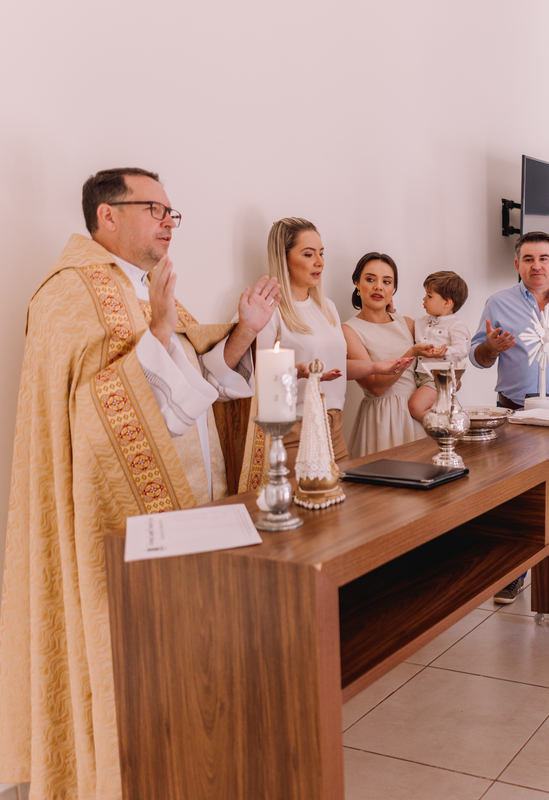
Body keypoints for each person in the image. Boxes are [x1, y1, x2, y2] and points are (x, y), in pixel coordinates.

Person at [0, 167, 279, 798]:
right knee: (132, 666)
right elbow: (96, 415)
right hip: (117, 526)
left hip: (185, 506)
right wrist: (155, 330)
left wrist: (244, 332)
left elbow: (196, 388)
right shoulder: (67, 295)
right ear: (106, 215)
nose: (168, 222)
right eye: (155, 208)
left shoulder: (146, 290)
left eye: (172, 212)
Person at [470, 231, 549, 603]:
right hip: (513, 411)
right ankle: (512, 571)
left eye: (543, 258)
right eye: (528, 259)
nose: (536, 266)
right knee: (516, 496)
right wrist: (489, 348)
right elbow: (477, 356)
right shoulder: (498, 303)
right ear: (517, 264)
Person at [242, 219, 407, 486]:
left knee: (340, 510)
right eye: (308, 254)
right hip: (296, 428)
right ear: (283, 258)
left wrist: (376, 368)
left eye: (321, 253)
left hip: (334, 424)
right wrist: (298, 371)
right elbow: (258, 373)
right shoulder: (269, 309)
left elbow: (335, 369)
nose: (319, 262)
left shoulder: (326, 306)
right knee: (307, 513)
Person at [342, 252, 434, 458]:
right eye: (370, 279)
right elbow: (376, 387)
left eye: (386, 281)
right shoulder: (349, 330)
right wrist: (410, 353)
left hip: (417, 414)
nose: (378, 287)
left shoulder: (407, 323)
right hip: (382, 419)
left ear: (393, 289)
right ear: (357, 283)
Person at [408, 271, 471, 423]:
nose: (424, 299)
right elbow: (405, 326)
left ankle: (450, 425)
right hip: (419, 375)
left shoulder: (456, 325)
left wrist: (444, 352)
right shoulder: (422, 321)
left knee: (416, 407)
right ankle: (448, 414)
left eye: (429, 296)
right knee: (427, 406)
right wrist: (391, 312)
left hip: (439, 377)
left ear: (447, 302)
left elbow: (462, 349)